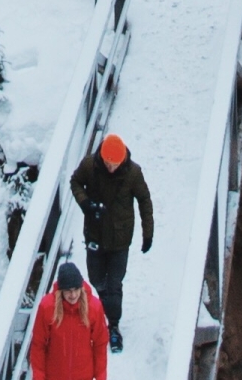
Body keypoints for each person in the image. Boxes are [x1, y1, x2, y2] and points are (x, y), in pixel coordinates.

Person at [69, 133, 152, 354]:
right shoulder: (90, 165)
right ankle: (105, 302)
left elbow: (144, 200)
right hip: (95, 235)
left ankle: (113, 325)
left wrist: (148, 233)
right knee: (97, 279)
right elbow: (75, 182)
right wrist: (85, 203)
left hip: (119, 239)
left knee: (115, 283)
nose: (110, 167)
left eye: (114, 164)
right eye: (107, 163)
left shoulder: (133, 173)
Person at [27, 262, 109, 380]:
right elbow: (38, 344)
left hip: (83, 375)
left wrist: (101, 376)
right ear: (61, 291)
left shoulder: (94, 307)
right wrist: (39, 376)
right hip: (54, 375)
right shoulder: (47, 307)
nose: (73, 294)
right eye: (68, 290)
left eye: (76, 289)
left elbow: (100, 343)